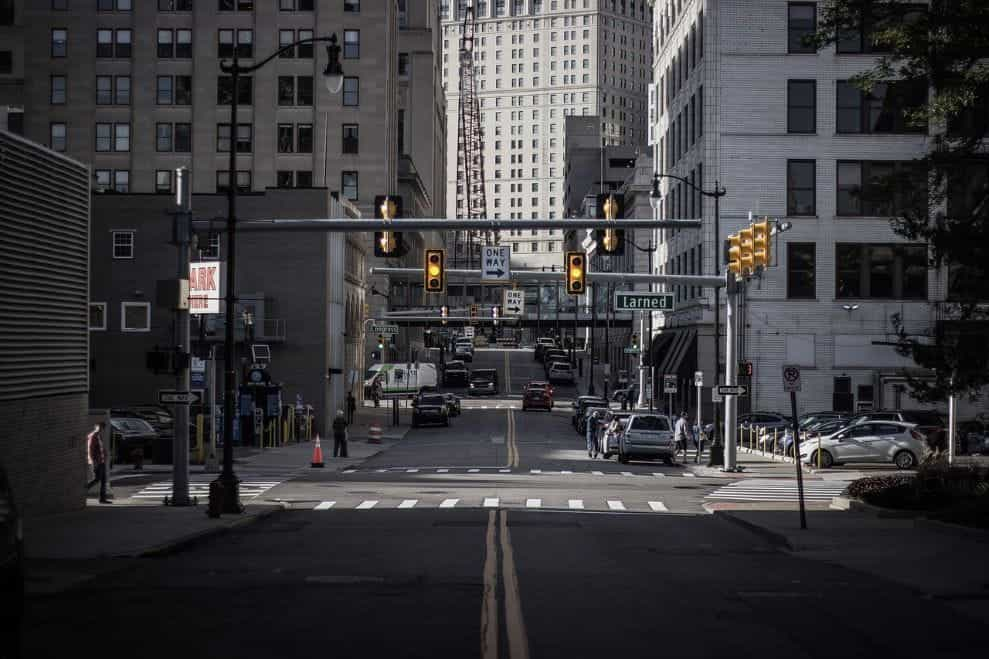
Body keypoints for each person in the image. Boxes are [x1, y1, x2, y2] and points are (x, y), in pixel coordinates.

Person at [86, 422, 111, 503]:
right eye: (99, 427)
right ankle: (84, 489)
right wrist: (93, 462)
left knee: (103, 480)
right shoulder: (93, 436)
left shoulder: (98, 436)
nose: (101, 429)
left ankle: (102, 499)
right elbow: (90, 450)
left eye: (102, 428)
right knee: (97, 479)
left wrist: (105, 453)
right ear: (95, 427)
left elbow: (100, 449)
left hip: (101, 462)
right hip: (97, 462)